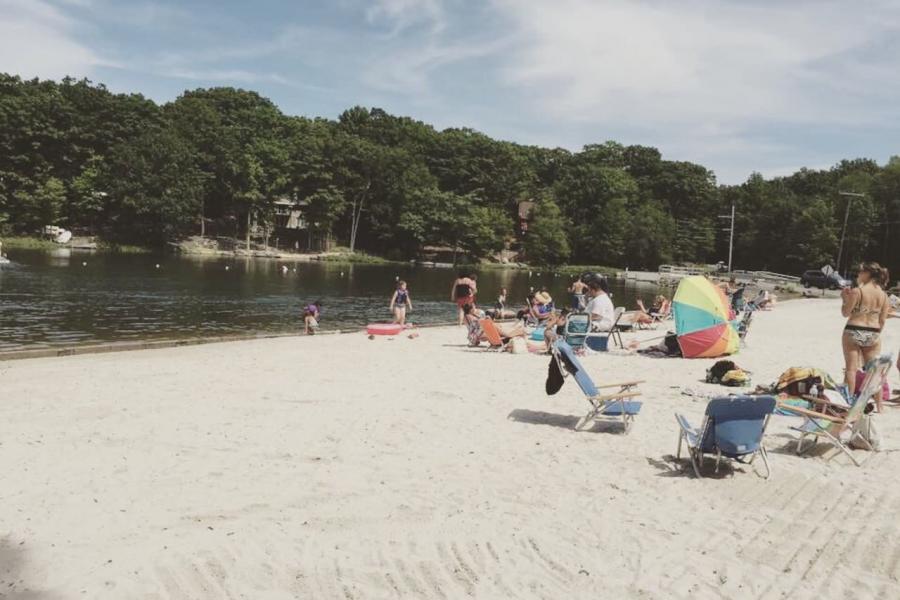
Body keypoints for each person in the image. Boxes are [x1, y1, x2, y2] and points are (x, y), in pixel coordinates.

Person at [840, 262, 890, 395]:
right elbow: (883, 320)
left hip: (854, 329)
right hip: (873, 332)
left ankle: (848, 400)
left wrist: (845, 299)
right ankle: (879, 406)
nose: (858, 275)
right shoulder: (884, 295)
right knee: (873, 371)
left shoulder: (858, 291)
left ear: (867, 274)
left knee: (851, 369)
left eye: (860, 272)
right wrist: (876, 334)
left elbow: (846, 313)